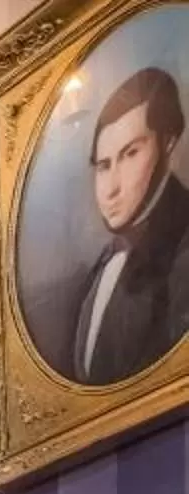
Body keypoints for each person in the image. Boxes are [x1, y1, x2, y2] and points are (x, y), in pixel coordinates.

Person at [63, 66, 189, 385]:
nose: (111, 188)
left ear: (168, 143)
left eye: (131, 154)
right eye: (103, 166)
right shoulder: (104, 264)